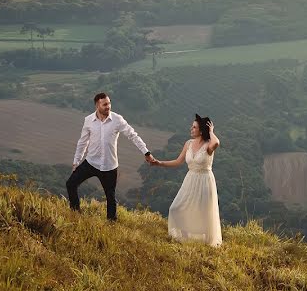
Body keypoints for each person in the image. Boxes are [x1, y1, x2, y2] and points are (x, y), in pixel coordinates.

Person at [67, 92, 157, 221]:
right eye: (105, 104)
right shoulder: (88, 120)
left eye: (109, 103)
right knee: (70, 184)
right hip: (91, 163)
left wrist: (146, 152)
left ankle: (111, 224)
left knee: (110, 196)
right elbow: (83, 142)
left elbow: (133, 135)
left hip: (109, 166)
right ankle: (75, 214)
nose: (108, 106)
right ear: (97, 106)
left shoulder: (117, 119)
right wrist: (76, 161)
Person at [152, 114, 222, 246]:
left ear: (201, 130)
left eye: (194, 127)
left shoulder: (208, 145)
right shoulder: (188, 144)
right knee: (176, 208)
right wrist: (159, 163)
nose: (191, 128)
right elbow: (178, 161)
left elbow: (216, 143)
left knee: (204, 212)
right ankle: (184, 239)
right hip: (190, 180)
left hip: (205, 181)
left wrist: (211, 131)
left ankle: (207, 242)